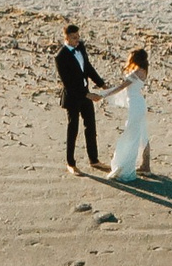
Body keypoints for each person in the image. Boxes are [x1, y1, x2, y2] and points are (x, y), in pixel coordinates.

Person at [54, 23, 108, 175]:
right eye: (74, 38)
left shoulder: (81, 47)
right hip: (73, 97)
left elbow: (88, 67)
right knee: (73, 129)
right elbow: (68, 83)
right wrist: (87, 95)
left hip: (85, 93)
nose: (77, 40)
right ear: (66, 38)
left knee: (90, 126)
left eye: (78, 37)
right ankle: (70, 163)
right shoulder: (60, 56)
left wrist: (102, 84)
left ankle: (94, 159)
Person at [102, 49, 151, 182]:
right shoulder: (143, 70)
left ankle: (126, 167)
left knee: (131, 136)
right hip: (138, 104)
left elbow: (121, 87)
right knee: (141, 134)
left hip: (136, 106)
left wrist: (103, 95)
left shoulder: (137, 72)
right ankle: (145, 166)